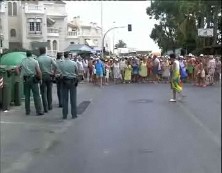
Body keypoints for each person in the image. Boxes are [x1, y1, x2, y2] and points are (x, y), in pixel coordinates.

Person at [16, 51, 44, 115]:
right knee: (36, 95)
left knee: (27, 96)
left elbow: (16, 68)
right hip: (33, 79)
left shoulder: (23, 61)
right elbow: (39, 71)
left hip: (25, 79)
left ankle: (27, 111)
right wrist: (40, 79)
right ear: (31, 55)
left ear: (26, 55)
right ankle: (39, 111)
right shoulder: (35, 61)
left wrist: (20, 75)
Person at [59, 51, 79, 119]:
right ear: (69, 56)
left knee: (65, 99)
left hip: (64, 81)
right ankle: (74, 114)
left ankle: (65, 115)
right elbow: (77, 72)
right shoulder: (74, 63)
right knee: (73, 98)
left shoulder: (61, 63)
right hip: (72, 81)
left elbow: (60, 73)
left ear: (64, 56)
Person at [37, 47, 57, 113]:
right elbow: (56, 66)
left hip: (42, 76)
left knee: (43, 92)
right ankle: (50, 106)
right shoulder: (49, 58)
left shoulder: (38, 59)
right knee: (49, 91)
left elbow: (36, 69)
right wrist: (53, 73)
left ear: (40, 51)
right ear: (45, 51)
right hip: (49, 76)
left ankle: (45, 108)